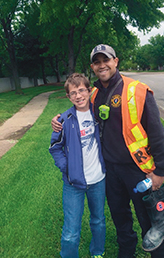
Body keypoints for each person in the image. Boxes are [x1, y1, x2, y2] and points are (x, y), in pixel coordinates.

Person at [51, 45, 164, 258]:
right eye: (97, 62)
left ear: (115, 61)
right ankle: (127, 251)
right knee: (120, 217)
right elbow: (77, 109)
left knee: (148, 218)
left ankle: (159, 253)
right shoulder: (94, 94)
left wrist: (160, 171)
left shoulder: (137, 90)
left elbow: (157, 134)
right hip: (109, 171)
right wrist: (59, 119)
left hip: (137, 170)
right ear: (93, 66)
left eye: (106, 60)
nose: (102, 65)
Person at [49, 73, 106, 258]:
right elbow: (55, 147)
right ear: (68, 96)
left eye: (82, 90)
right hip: (73, 183)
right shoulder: (64, 120)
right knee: (71, 231)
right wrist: (67, 168)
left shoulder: (100, 112)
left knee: (98, 221)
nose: (78, 96)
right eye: (73, 93)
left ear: (89, 91)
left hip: (98, 180)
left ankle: (97, 252)